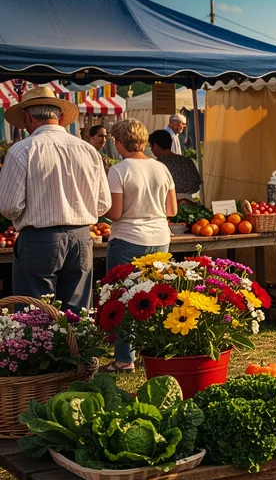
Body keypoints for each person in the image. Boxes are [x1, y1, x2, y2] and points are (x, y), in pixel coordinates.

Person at [0, 86, 109, 313]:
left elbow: (10, 207)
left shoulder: (22, 151)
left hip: (39, 239)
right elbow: (103, 205)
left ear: (27, 118)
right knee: (77, 314)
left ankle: (41, 339)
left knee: (35, 314)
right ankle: (75, 338)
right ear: (59, 117)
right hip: (80, 236)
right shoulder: (88, 150)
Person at [104, 119, 178, 371]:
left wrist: (99, 208)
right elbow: (172, 209)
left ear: (120, 142)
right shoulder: (162, 168)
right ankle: (154, 351)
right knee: (153, 297)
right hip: (160, 238)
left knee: (123, 299)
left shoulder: (118, 170)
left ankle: (125, 358)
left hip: (128, 238)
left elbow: (115, 214)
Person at [149, 129, 203, 201]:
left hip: (166, 203)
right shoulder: (187, 161)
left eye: (151, 146)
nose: (151, 150)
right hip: (189, 202)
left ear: (155, 146)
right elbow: (196, 185)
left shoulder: (156, 165)